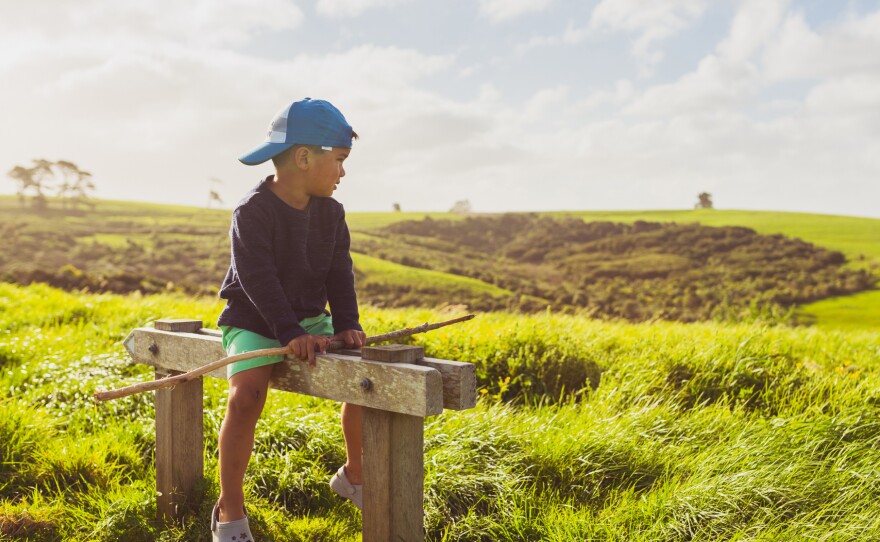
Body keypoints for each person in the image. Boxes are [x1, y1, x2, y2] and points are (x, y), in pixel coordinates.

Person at [211, 98, 367, 542]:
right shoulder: (252, 211)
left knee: (367, 380)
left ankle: (355, 476)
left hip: (309, 321)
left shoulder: (332, 214)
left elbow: (339, 273)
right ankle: (230, 509)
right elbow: (257, 280)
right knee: (246, 396)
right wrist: (289, 332)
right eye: (339, 160)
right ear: (303, 158)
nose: (342, 172)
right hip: (253, 319)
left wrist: (347, 324)